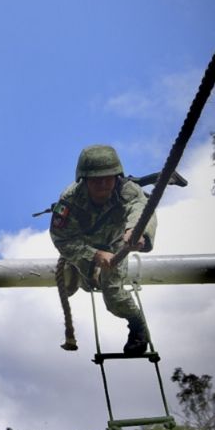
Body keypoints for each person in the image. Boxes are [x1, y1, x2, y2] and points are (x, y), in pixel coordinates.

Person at [49, 145, 156, 355]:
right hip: (82, 246)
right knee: (81, 284)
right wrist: (95, 255)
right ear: (84, 179)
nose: (103, 183)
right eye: (96, 179)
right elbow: (61, 239)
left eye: (108, 177)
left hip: (117, 244)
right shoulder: (70, 200)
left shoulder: (127, 190)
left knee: (114, 297)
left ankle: (137, 326)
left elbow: (141, 208)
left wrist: (136, 232)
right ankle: (81, 273)